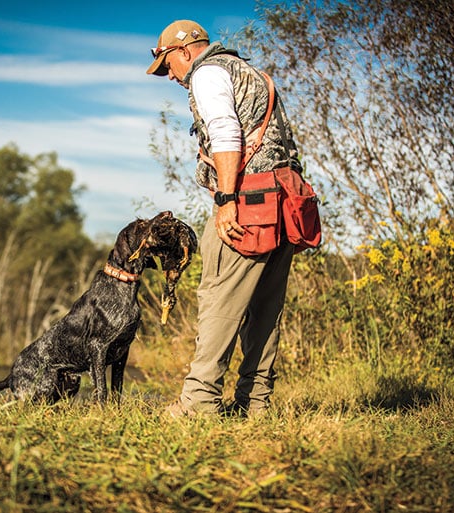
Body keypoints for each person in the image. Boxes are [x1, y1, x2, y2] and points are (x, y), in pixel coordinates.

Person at [147, 20, 302, 418]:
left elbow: (225, 132)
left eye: (167, 66)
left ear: (184, 51)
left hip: (249, 199)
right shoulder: (249, 72)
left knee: (218, 296)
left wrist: (227, 198)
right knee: (266, 305)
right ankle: (255, 404)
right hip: (285, 197)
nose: (170, 76)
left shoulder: (208, 73)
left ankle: (199, 402)